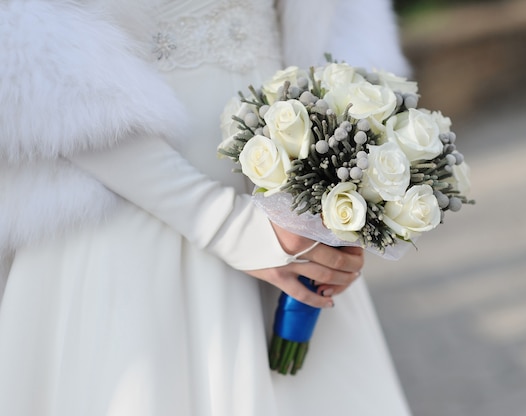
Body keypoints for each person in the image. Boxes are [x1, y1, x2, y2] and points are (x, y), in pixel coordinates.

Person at [0, 0, 413, 415]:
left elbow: (341, 25)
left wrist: (346, 165)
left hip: (287, 201)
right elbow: (35, 62)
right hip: (131, 205)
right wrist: (225, 225)